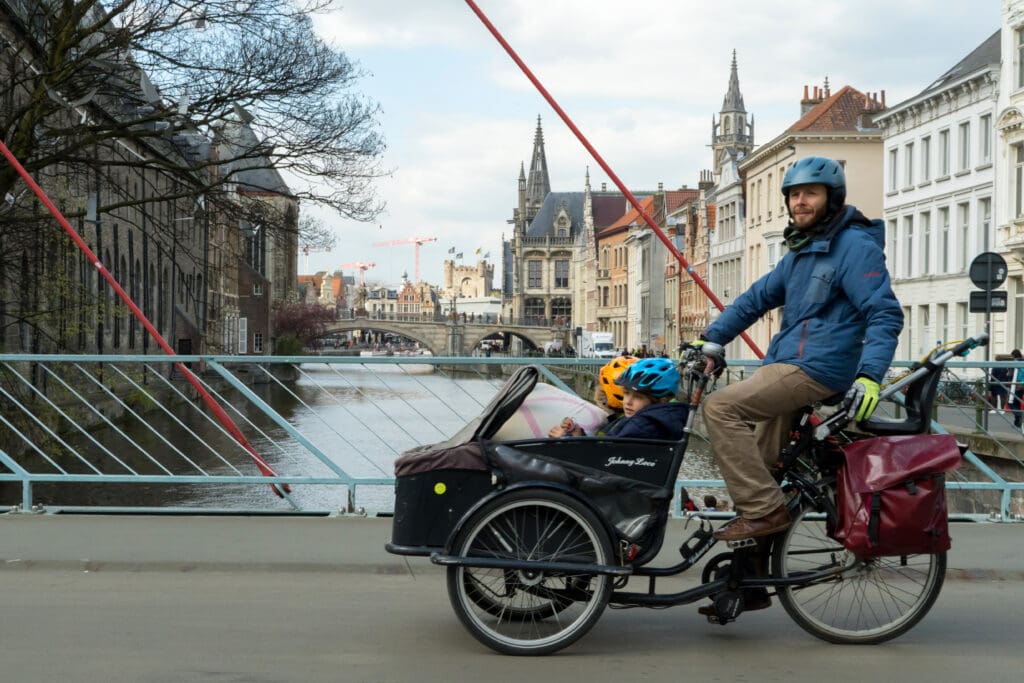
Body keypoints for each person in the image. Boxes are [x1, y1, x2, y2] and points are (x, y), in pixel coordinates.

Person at [687, 156, 903, 543]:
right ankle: (746, 580)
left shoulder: (854, 246)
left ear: (831, 198)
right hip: (788, 365)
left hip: (816, 366)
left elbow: (884, 315)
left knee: (720, 408)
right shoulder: (802, 251)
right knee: (762, 466)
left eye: (811, 194)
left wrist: (870, 376)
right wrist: (713, 338)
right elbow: (754, 300)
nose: (800, 202)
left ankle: (765, 510)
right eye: (794, 194)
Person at [549, 358, 687, 440]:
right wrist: (579, 435)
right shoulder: (651, 421)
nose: (627, 401)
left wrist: (565, 440)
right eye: (626, 393)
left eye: (638, 397)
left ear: (661, 401)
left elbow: (603, 459)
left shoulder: (641, 426)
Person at [1011, 349, 1024, 430]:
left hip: (1018, 384)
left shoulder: (1016, 362)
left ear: (1014, 356)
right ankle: (1017, 422)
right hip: (1021, 383)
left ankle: (1019, 415)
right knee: (1018, 402)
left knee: (1012, 403)